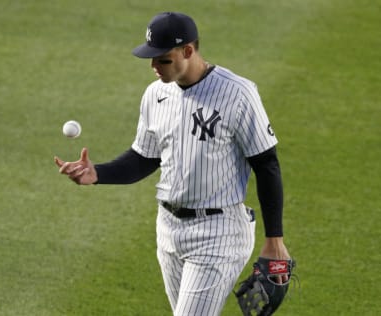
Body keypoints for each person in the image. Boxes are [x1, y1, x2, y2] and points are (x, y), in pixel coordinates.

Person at [54, 12, 291, 316]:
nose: (154, 67)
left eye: (162, 60)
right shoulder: (155, 95)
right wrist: (97, 173)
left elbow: (266, 163)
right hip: (167, 230)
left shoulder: (238, 93)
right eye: (151, 59)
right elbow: (144, 157)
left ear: (188, 51)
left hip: (217, 232)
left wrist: (275, 240)